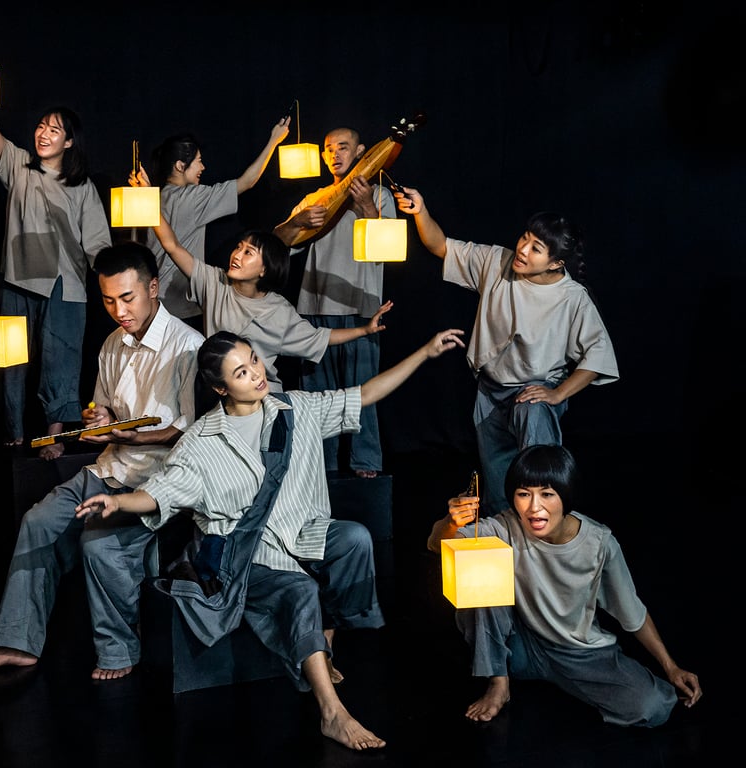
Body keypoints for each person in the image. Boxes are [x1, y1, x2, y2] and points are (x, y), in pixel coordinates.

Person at [75, 326, 466, 750]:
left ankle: (324, 644)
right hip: (245, 551)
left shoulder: (295, 408)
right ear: (220, 388)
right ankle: (332, 713)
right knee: (300, 589)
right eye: (241, 373)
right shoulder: (200, 443)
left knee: (355, 539)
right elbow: (160, 493)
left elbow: (365, 393)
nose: (257, 374)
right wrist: (118, 502)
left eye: (254, 360)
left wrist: (425, 351)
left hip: (299, 531)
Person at [0, 240, 203, 680]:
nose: (119, 310)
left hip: (156, 479)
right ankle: (17, 641)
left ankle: (119, 649)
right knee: (37, 521)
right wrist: (101, 419)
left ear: (153, 288)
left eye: (127, 298)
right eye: (108, 300)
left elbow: (193, 430)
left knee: (98, 545)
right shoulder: (112, 343)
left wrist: (137, 435)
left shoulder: (188, 346)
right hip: (110, 466)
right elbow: (105, 409)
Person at [425, 444, 702, 726]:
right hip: (522, 646)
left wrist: (671, 667)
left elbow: (633, 612)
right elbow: (436, 543)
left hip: (579, 655)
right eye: (524, 494)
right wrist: (451, 522)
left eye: (547, 494)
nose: (534, 507)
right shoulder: (507, 526)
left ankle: (558, 678)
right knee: (478, 569)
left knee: (652, 705)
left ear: (565, 496)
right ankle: (499, 682)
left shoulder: (599, 543)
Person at [396, 186, 619, 515]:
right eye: (525, 238)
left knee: (538, 475)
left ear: (556, 263)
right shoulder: (496, 261)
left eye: (536, 248)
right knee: (499, 492)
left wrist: (557, 394)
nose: (523, 250)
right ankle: (507, 540)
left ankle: (545, 533)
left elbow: (598, 356)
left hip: (532, 394)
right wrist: (421, 211)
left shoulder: (572, 298)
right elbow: (440, 246)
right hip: (490, 391)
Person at [0, 51, 113, 458]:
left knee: (61, 356)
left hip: (65, 284)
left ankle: (54, 433)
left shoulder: (82, 186)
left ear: (69, 141)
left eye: (55, 130)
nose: (44, 134)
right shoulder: (18, 164)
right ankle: (13, 431)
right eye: (41, 126)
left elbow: (97, 242)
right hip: (18, 276)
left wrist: (115, 274)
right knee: (10, 358)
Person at [129, 182, 393, 394]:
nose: (237, 255)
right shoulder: (215, 282)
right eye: (239, 248)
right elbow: (172, 246)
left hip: (264, 397)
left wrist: (365, 329)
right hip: (220, 395)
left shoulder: (278, 309)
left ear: (264, 269)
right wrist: (150, 198)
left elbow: (319, 338)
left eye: (248, 253)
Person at [273, 126, 397, 478]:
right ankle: (321, 462)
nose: (334, 154)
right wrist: (298, 221)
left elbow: (387, 247)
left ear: (360, 151)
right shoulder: (316, 198)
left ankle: (365, 461)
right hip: (315, 308)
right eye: (328, 149)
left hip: (361, 308)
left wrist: (367, 206)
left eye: (343, 147)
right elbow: (277, 243)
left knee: (362, 391)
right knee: (317, 395)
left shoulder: (380, 193)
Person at [132, 119, 291, 328]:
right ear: (180, 166)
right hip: (182, 305)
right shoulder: (194, 197)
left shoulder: (153, 197)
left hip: (152, 300)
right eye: (198, 161)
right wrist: (274, 141)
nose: (203, 167)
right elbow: (247, 182)